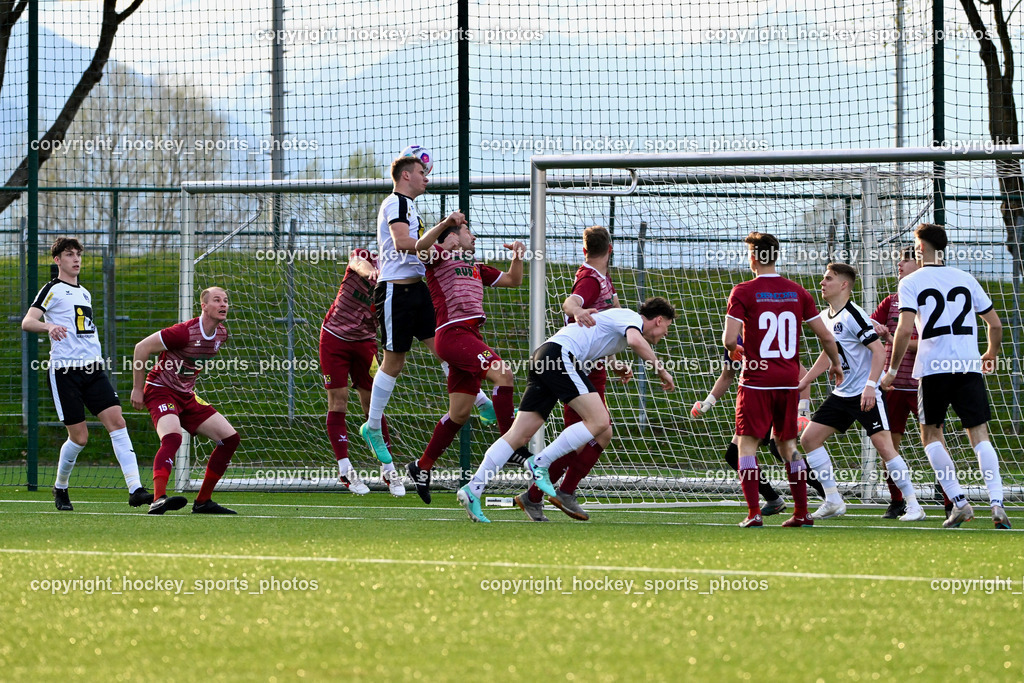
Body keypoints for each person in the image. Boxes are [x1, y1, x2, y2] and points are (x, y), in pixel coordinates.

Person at [457, 298, 676, 523]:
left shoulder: (620, 323)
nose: (664, 334)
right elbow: (635, 341)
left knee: (517, 435)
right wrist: (661, 370)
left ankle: (473, 488)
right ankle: (540, 463)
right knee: (600, 422)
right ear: (658, 320)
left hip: (544, 357)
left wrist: (614, 364)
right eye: (667, 328)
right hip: (560, 357)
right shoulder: (631, 318)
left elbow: (599, 339)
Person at [359, 155, 495, 492]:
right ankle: (373, 426)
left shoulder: (410, 208)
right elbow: (407, 245)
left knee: (446, 348)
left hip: (417, 291)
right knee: (394, 361)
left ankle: (479, 402)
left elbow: (420, 251)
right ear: (406, 176)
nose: (427, 178)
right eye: (422, 173)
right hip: (396, 292)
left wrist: (441, 247)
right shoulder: (397, 204)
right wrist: (441, 236)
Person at [880, 223, 1011, 529]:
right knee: (979, 434)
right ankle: (996, 502)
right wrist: (990, 353)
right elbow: (995, 324)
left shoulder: (912, 281)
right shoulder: (966, 279)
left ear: (921, 248)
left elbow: (903, 328)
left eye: (915, 245)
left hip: (934, 369)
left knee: (931, 435)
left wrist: (893, 370)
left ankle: (960, 503)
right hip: (968, 366)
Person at [21, 237, 153, 511]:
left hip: (93, 369)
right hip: (64, 372)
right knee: (79, 438)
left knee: (117, 422)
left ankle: (135, 489)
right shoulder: (52, 289)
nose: (76, 259)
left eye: (78, 254)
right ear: (58, 260)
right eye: (69, 254)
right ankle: (60, 487)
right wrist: (50, 327)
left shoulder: (85, 293)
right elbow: (28, 321)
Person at [722, 231, 843, 528]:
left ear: (753, 257)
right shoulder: (799, 292)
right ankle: (802, 512)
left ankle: (754, 513)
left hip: (756, 381)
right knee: (788, 446)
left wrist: (736, 347)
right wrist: (837, 365)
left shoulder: (743, 291)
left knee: (746, 446)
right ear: (776, 257)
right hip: (789, 382)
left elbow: (728, 339)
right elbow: (826, 336)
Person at [405, 225, 526, 503]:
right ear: (453, 236)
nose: (474, 237)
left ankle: (421, 466)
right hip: (453, 333)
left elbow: (513, 280)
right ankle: (512, 444)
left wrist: (517, 256)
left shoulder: (476, 265)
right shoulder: (438, 255)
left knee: (459, 414)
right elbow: (420, 247)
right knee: (504, 375)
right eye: (469, 232)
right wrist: (446, 222)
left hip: (468, 335)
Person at [797, 263, 926, 522]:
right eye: (823, 278)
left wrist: (870, 386)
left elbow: (878, 351)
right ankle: (833, 499)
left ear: (844, 285)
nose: (822, 283)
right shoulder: (826, 316)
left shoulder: (853, 315)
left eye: (828, 279)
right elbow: (828, 353)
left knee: (886, 449)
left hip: (866, 395)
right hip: (843, 394)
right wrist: (804, 381)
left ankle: (914, 505)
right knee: (809, 439)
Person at [518, 225, 629, 522]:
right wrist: (576, 311)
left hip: (593, 368)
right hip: (577, 369)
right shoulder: (590, 279)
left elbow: (612, 325)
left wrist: (615, 361)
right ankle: (553, 492)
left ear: (584, 249)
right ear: (611, 249)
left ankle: (539, 495)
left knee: (595, 434)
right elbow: (571, 302)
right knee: (590, 434)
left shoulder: (605, 282)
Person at [130, 286, 239, 515]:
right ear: (204, 306)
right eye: (217, 300)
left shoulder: (221, 335)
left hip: (186, 395)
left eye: (226, 301)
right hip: (160, 390)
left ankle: (203, 502)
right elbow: (141, 348)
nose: (223, 304)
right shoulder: (184, 332)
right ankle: (158, 499)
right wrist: (137, 389)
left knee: (230, 439)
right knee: (172, 437)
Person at [691, 338, 824, 516]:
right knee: (733, 455)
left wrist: (803, 411)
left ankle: (828, 494)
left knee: (779, 449)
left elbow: (802, 373)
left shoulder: (766, 333)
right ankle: (773, 500)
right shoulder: (733, 341)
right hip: (757, 400)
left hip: (781, 396)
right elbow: (727, 375)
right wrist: (708, 402)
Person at [870, 246, 953, 518]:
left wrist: (896, 341)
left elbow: (933, 343)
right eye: (899, 260)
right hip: (892, 387)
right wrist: (877, 329)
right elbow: (867, 327)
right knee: (888, 446)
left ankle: (951, 500)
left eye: (906, 260)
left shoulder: (933, 301)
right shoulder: (891, 301)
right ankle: (898, 501)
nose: (900, 265)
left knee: (935, 442)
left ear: (920, 265)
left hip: (923, 383)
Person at [320, 248, 397, 495]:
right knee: (338, 403)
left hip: (366, 343)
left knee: (372, 405)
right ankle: (345, 468)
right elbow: (356, 263)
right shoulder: (366, 255)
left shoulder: (402, 271)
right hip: (335, 337)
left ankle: (388, 469)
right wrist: (373, 272)